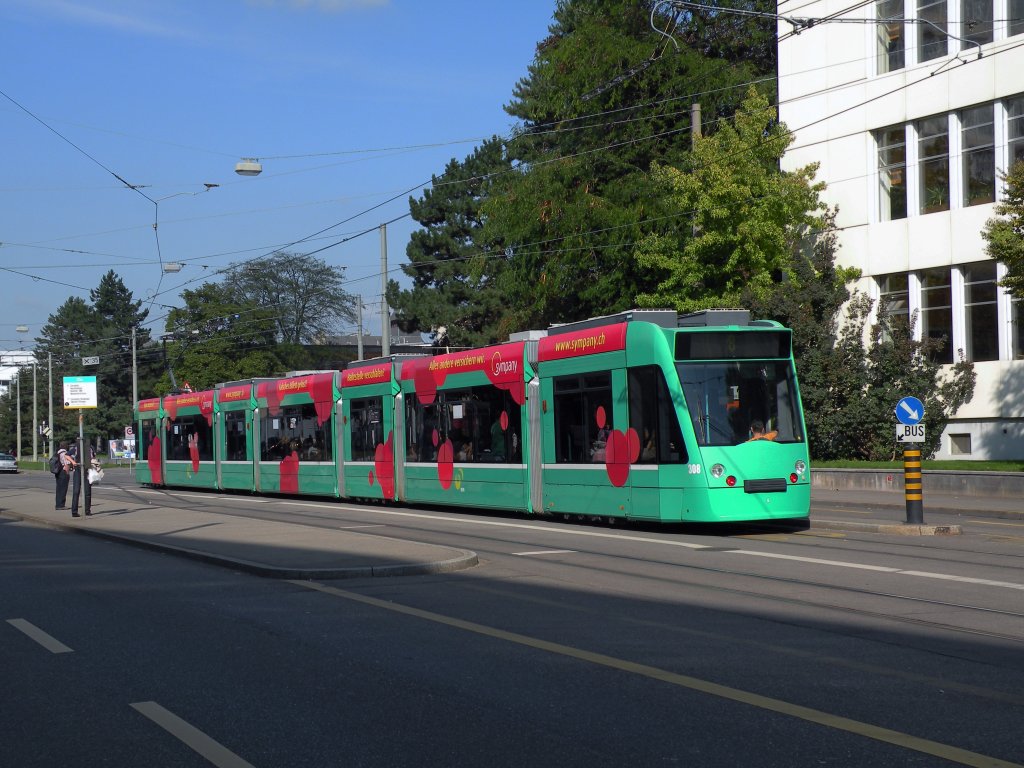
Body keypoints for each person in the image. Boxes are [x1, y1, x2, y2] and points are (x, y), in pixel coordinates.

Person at [67, 443, 93, 517]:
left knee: (87, 491)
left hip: (87, 469)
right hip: (78, 469)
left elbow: (93, 457)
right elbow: (67, 455)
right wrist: (73, 462)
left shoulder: (90, 448)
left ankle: (87, 510)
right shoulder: (76, 448)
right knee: (76, 491)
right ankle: (74, 511)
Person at [54, 442, 71, 511]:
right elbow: (66, 464)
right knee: (63, 489)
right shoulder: (64, 453)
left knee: (59, 489)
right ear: (66, 446)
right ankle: (61, 505)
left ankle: (58, 504)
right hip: (63, 472)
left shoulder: (57, 452)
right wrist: (67, 473)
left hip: (58, 472)